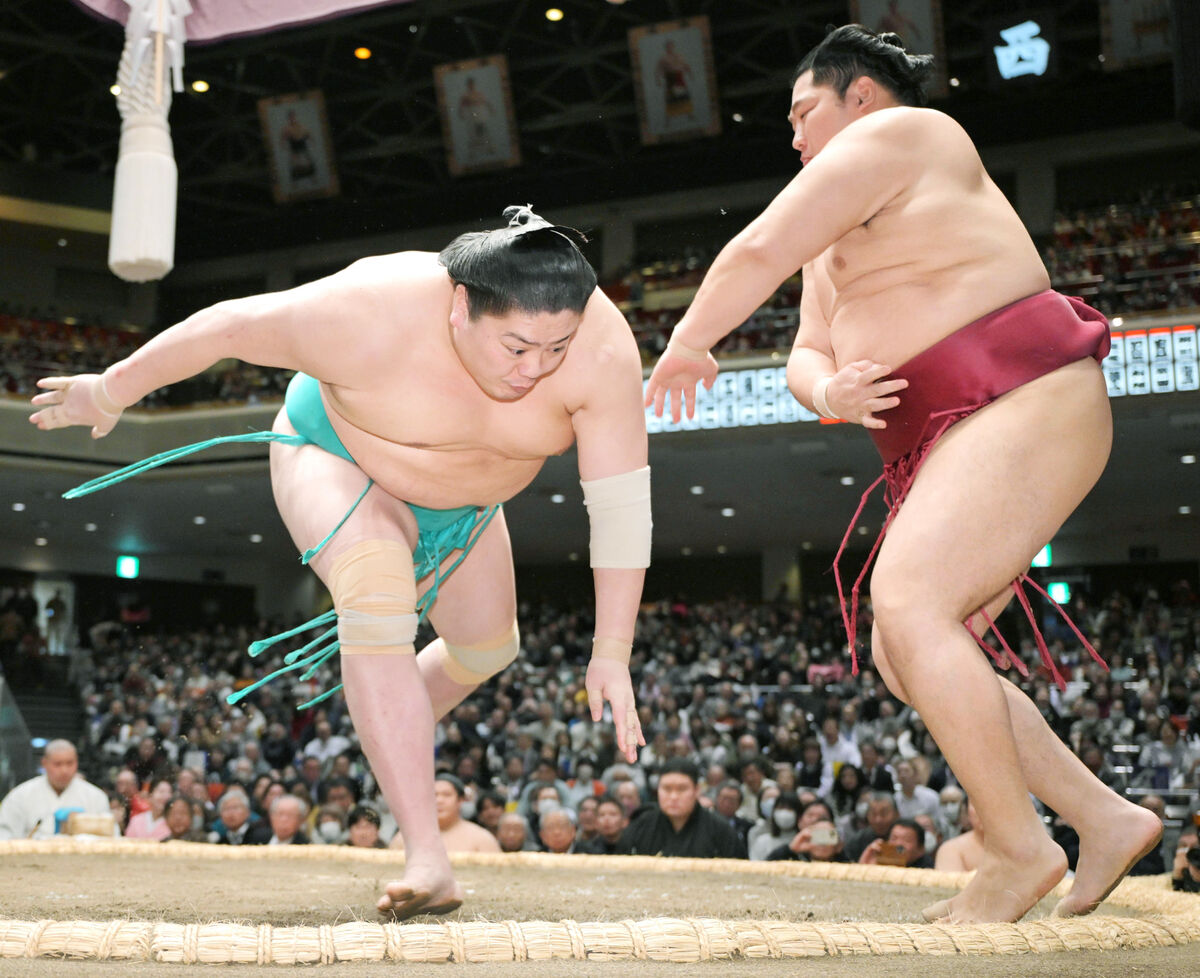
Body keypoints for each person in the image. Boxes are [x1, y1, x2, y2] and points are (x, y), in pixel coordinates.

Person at [643, 23, 1161, 923]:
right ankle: (1101, 816)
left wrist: (689, 339)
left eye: (805, 112)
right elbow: (806, 349)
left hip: (1016, 394)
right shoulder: (832, 235)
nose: (794, 135)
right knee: (904, 650)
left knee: (911, 603)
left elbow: (757, 248)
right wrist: (830, 390)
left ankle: (1014, 847)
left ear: (863, 100)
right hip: (950, 437)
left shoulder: (910, 134)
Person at [31, 205, 650, 919]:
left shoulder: (603, 352)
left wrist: (612, 650)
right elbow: (227, 326)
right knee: (376, 588)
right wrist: (109, 390)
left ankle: (385, 720)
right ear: (460, 308)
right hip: (337, 455)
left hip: (470, 509)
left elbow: (620, 506)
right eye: (515, 347)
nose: (534, 370)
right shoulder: (369, 308)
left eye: (556, 349)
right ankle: (427, 855)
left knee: (488, 648)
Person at [618, 758, 746, 859]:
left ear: (696, 790)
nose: (673, 796)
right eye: (667, 789)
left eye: (682, 789)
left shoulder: (720, 831)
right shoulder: (640, 826)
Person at [0, 740, 113, 840]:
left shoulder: (96, 797)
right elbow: (4, 836)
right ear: (44, 763)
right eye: (57, 764)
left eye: (70, 763)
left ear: (77, 763)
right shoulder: (19, 796)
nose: (64, 770)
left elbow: (110, 837)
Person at [391, 774, 499, 854]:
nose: (439, 800)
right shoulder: (405, 838)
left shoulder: (482, 839)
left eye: (447, 795)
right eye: (434, 795)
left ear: (460, 800)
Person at [860, 818, 933, 869]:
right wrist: (866, 868)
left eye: (907, 840)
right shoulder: (880, 861)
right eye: (894, 839)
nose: (899, 844)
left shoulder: (928, 868)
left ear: (921, 849)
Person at [245, 794, 310, 845]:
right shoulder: (257, 837)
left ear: (301, 820)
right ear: (271, 816)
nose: (284, 819)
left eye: (290, 815)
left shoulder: (305, 845)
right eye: (280, 814)